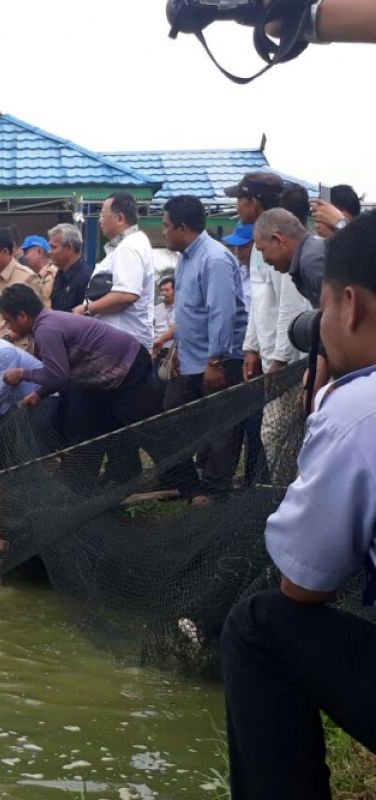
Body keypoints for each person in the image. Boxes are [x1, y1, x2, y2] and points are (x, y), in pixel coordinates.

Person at [220, 210, 376, 800]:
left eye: (327, 307)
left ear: (353, 307)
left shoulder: (358, 410)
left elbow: (305, 585)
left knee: (258, 627)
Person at [0, 284, 164, 489]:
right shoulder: (48, 322)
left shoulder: (46, 329)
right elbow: (60, 370)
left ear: (22, 316)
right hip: (96, 378)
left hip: (128, 366)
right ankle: (87, 483)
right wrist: (40, 394)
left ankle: (189, 487)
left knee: (150, 428)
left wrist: (22, 374)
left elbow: (58, 375)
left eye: (7, 320)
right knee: (85, 425)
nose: (8, 327)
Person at [161, 196, 248, 497]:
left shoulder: (214, 259)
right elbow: (188, 312)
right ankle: (187, 483)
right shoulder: (185, 259)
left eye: (166, 226)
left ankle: (213, 493)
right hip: (191, 358)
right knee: (173, 417)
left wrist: (216, 361)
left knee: (222, 429)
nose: (163, 232)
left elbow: (222, 313)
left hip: (218, 360)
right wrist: (178, 350)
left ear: (182, 228)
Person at [231, 172, 313, 382]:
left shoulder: (281, 244)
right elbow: (259, 299)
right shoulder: (260, 244)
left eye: (239, 200)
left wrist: (280, 358)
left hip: (288, 364)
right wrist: (251, 347)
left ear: (253, 203)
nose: (236, 206)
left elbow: (291, 305)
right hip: (268, 358)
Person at [79, 192, 156, 350]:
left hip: (123, 342)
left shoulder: (129, 247)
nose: (100, 220)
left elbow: (126, 295)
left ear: (120, 218)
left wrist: (86, 309)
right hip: (123, 340)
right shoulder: (129, 244)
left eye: (103, 215)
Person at [254, 207, 326, 308]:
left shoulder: (311, 262)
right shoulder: (309, 255)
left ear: (278, 240)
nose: (264, 259)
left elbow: (341, 314)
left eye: (262, 250)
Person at [47, 224, 93, 315]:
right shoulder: (60, 274)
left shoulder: (85, 278)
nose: (49, 252)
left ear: (69, 248)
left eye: (54, 247)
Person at [222, 222, 255, 313]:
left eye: (242, 247)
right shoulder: (236, 270)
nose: (237, 252)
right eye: (236, 246)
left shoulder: (265, 276)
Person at [20, 235, 58, 308]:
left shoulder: (53, 275)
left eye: (26, 252)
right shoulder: (34, 277)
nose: (24, 257)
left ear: (40, 252)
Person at [152, 276, 177, 381]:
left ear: (175, 291)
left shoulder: (182, 308)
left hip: (176, 353)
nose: (163, 293)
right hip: (158, 352)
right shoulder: (155, 310)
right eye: (162, 290)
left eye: (167, 290)